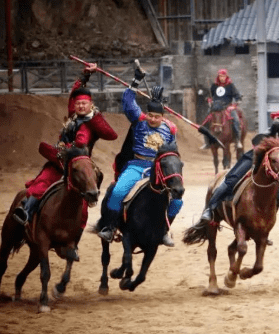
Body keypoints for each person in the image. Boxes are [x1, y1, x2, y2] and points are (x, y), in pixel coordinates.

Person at [14, 63, 118, 231]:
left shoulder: (92, 121)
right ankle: (26, 210)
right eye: (78, 104)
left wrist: (96, 118)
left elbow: (112, 135)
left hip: (80, 163)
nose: (81, 106)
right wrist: (85, 75)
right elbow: (72, 95)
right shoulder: (73, 116)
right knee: (43, 181)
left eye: (85, 104)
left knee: (91, 183)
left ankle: (84, 217)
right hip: (61, 160)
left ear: (91, 105)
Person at [97, 67, 181, 247]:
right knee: (118, 192)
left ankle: (163, 231)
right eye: (150, 115)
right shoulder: (139, 121)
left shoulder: (170, 129)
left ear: (163, 117)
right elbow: (127, 101)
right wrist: (135, 81)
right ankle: (110, 227)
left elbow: (173, 154)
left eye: (156, 116)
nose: (152, 119)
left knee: (177, 200)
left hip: (158, 169)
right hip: (136, 165)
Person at [199, 103, 279, 222]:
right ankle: (209, 209)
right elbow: (277, 124)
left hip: (274, 163)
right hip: (256, 156)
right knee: (232, 180)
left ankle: (265, 224)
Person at [203, 69, 243, 149]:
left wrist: (234, 106)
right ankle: (207, 142)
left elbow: (238, 97)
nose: (222, 78)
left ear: (226, 76)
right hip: (215, 107)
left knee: (236, 121)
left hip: (227, 107)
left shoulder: (230, 86)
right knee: (205, 122)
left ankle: (237, 140)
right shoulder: (214, 85)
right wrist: (209, 100)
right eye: (220, 76)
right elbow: (208, 95)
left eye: (223, 76)